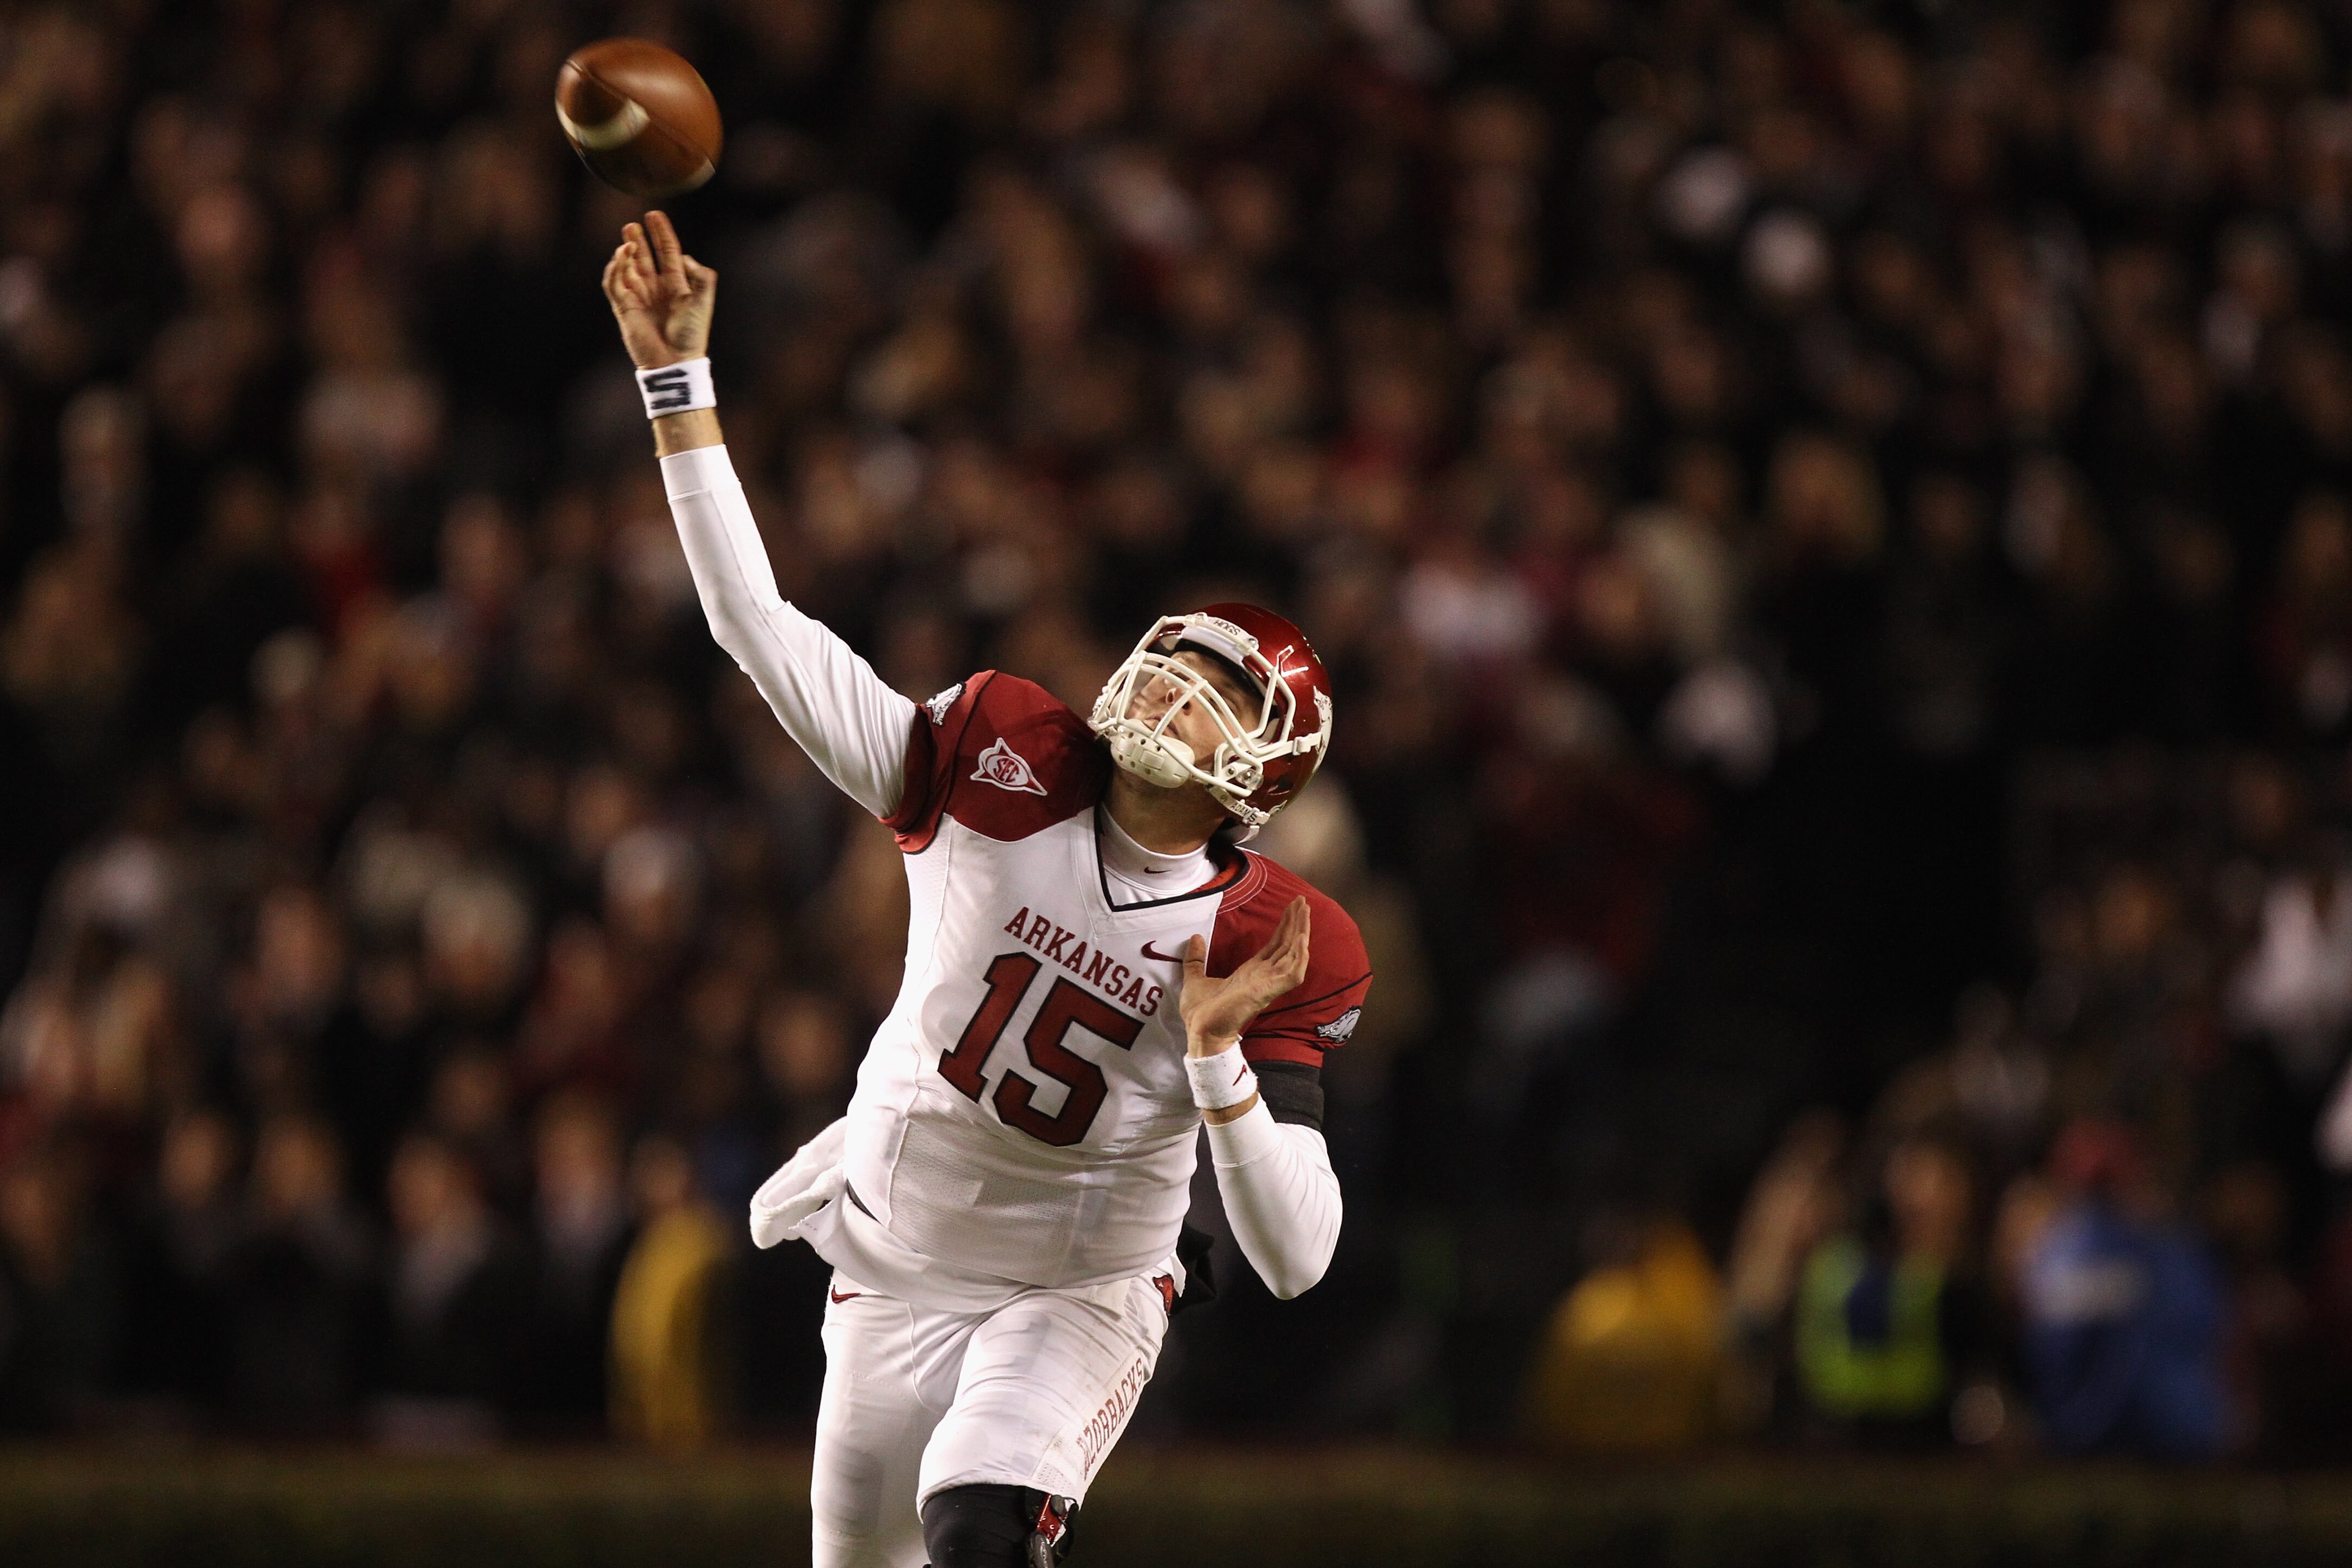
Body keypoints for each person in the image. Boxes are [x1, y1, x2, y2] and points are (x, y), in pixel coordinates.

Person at [602, 212, 1369, 1568]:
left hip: (1073, 1297)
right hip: (890, 1266)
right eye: (1176, 662)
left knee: (979, 1526)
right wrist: (680, 386)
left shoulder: (1267, 938)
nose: (1175, 693)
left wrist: (1215, 1061)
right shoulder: (997, 759)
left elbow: (1299, 1255)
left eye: (1222, 695)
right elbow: (758, 631)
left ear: (1266, 767)